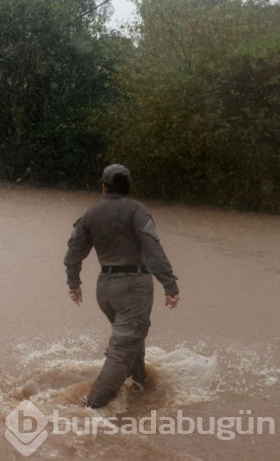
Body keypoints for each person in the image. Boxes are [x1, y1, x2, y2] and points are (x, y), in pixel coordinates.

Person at [63, 164, 180, 408]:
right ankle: (91, 407)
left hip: (105, 288)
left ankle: (139, 385)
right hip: (133, 287)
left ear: (103, 187)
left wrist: (73, 282)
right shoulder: (136, 210)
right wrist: (169, 284)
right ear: (129, 187)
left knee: (129, 341)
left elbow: (74, 250)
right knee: (122, 348)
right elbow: (153, 248)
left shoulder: (90, 214)